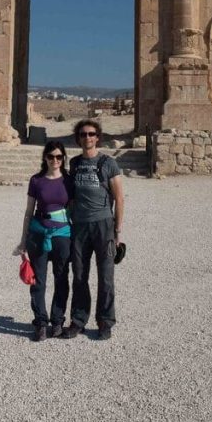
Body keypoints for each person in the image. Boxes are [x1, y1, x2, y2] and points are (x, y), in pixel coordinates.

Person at [63, 119, 124, 341]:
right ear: (78, 138)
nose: (87, 138)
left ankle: (105, 321)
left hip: (103, 225)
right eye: (82, 134)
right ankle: (78, 320)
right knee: (79, 275)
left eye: (91, 134)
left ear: (97, 137)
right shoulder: (75, 163)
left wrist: (117, 231)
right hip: (79, 226)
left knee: (106, 276)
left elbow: (119, 197)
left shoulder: (109, 163)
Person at [14, 140, 74, 342]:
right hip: (39, 233)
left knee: (61, 278)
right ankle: (40, 322)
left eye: (58, 157)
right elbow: (28, 212)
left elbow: (75, 210)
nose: (55, 160)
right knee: (38, 281)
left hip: (62, 235)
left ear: (63, 158)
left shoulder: (69, 180)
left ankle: (57, 321)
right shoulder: (36, 180)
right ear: (45, 158)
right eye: (51, 156)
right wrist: (23, 242)